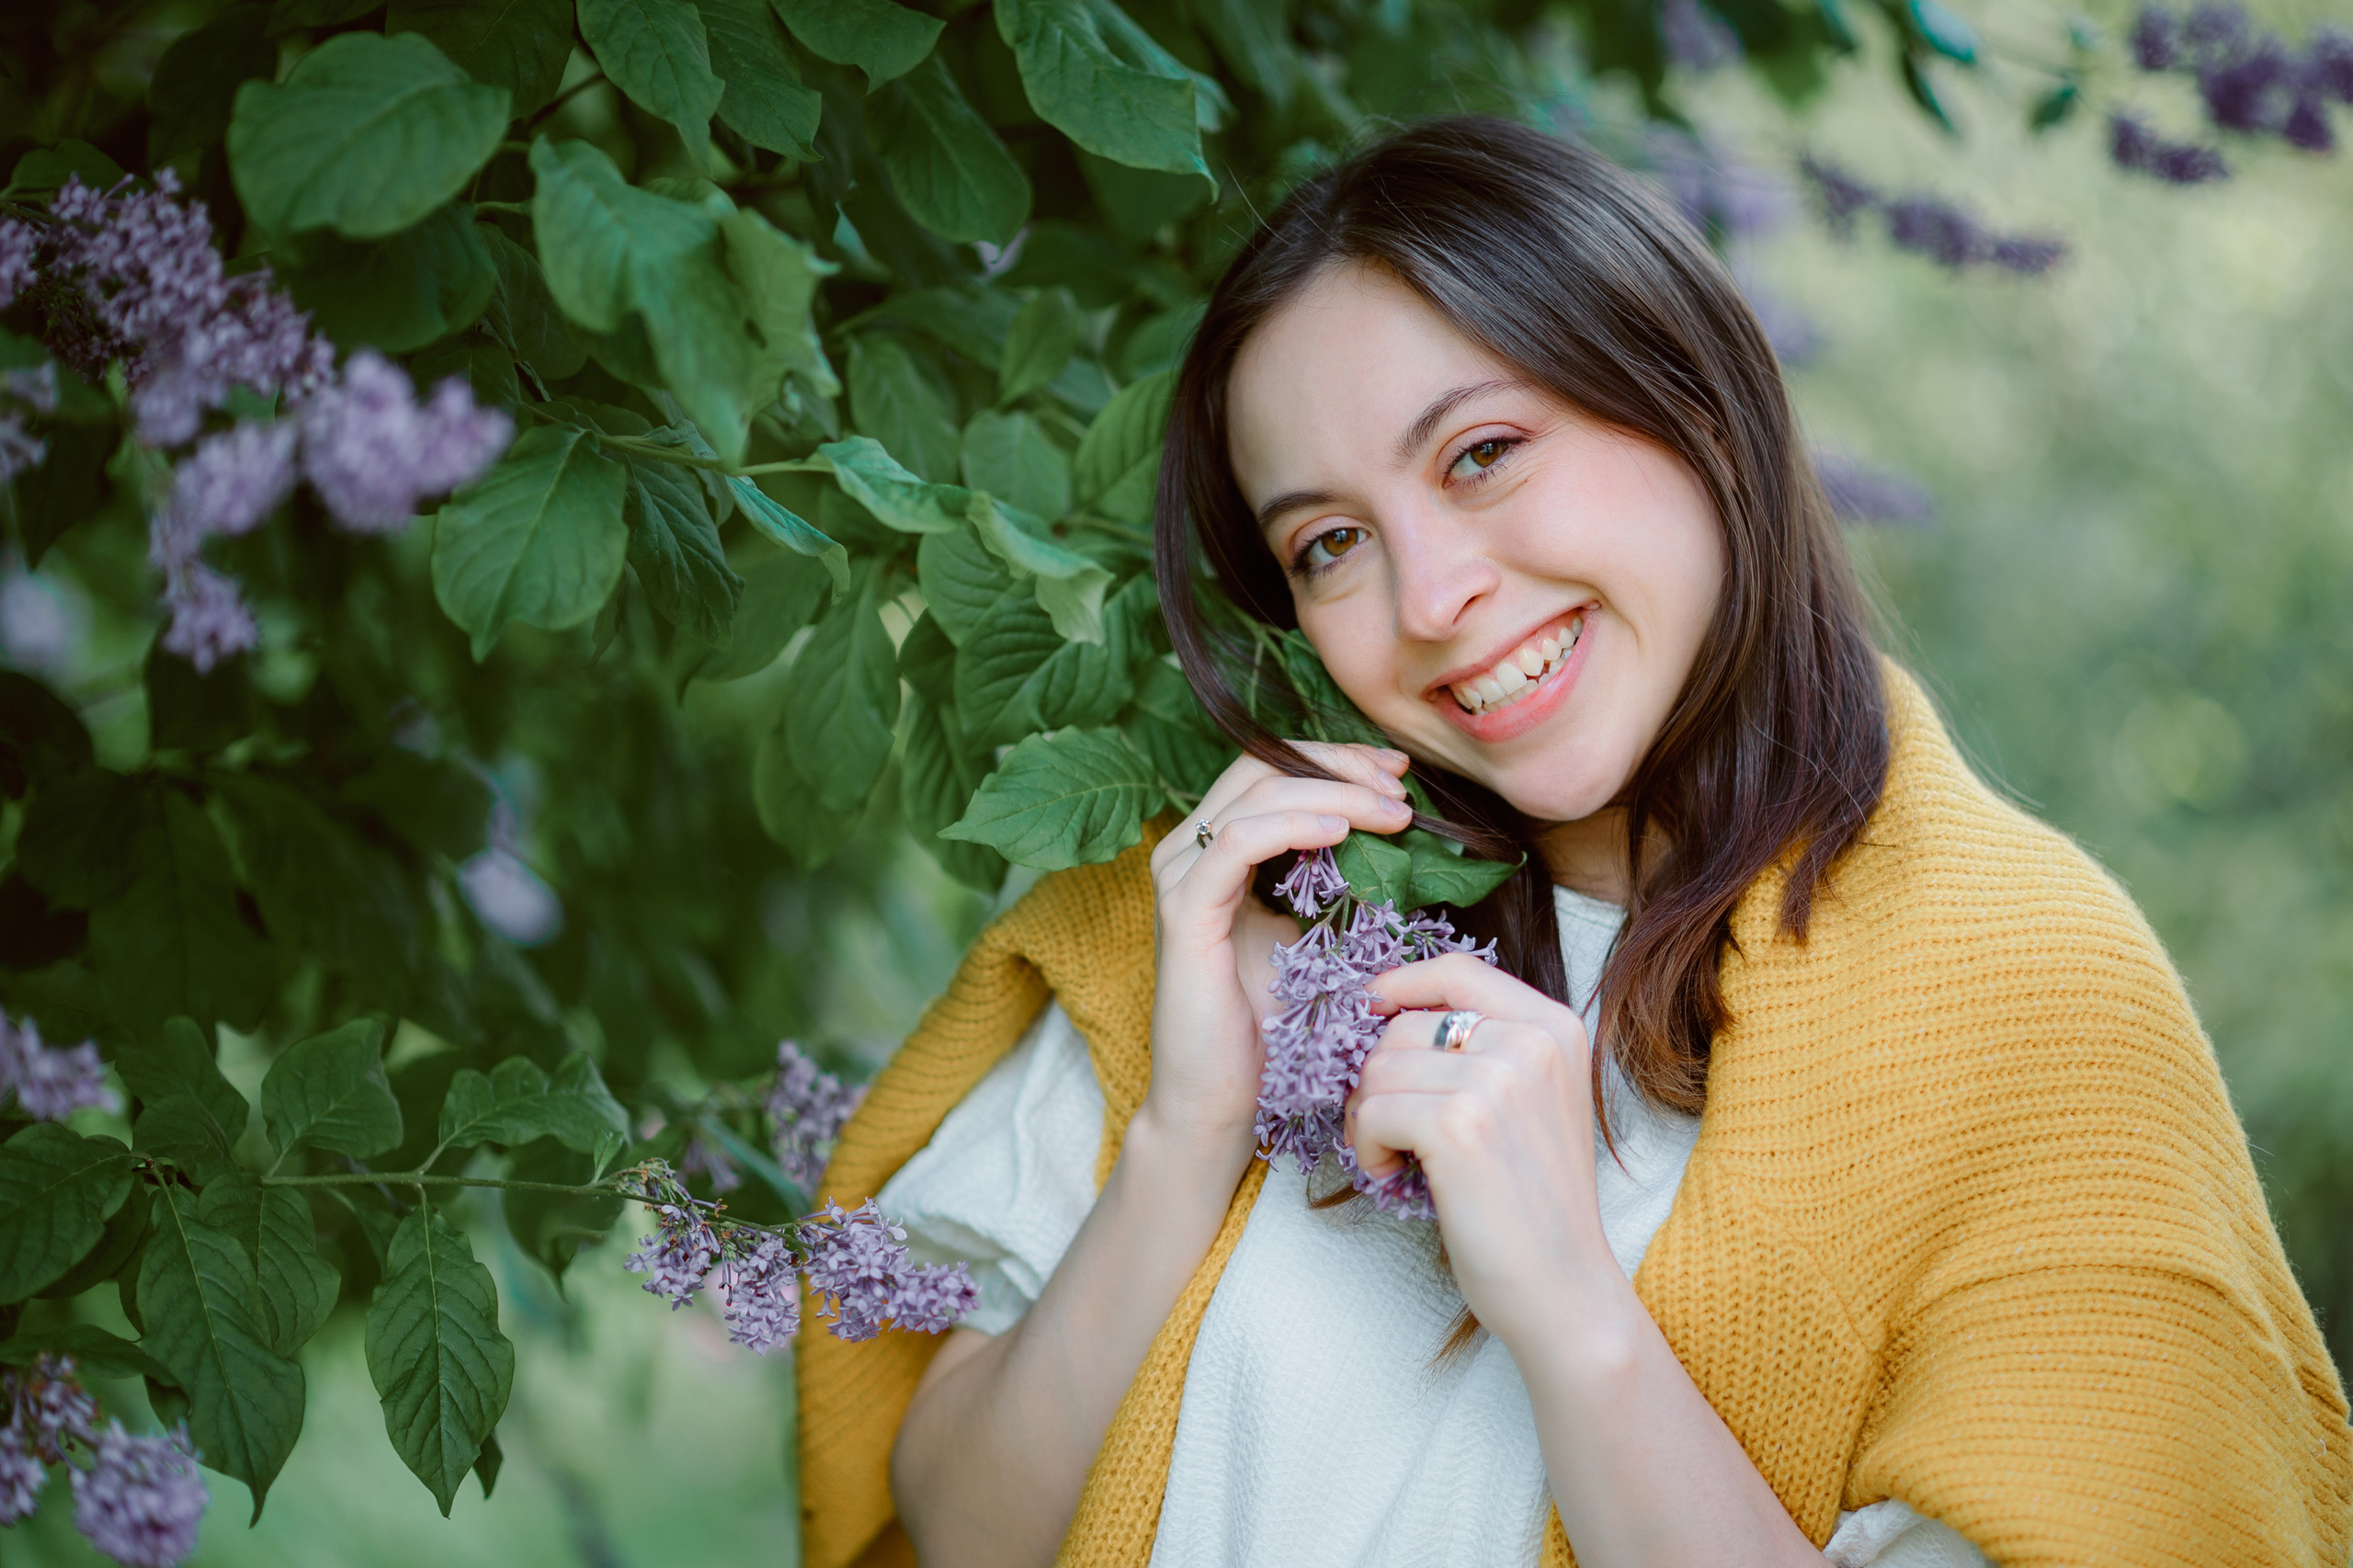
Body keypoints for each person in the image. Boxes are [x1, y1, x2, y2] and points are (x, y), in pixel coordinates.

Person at [798, 117, 2352, 1568]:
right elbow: (959, 1529)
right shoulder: (1231, 922)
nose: (1429, 599)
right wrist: (1182, 1136)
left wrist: (1570, 1309)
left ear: (1694, 403)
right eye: (1330, 543)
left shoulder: (2031, 1001)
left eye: (1481, 453)